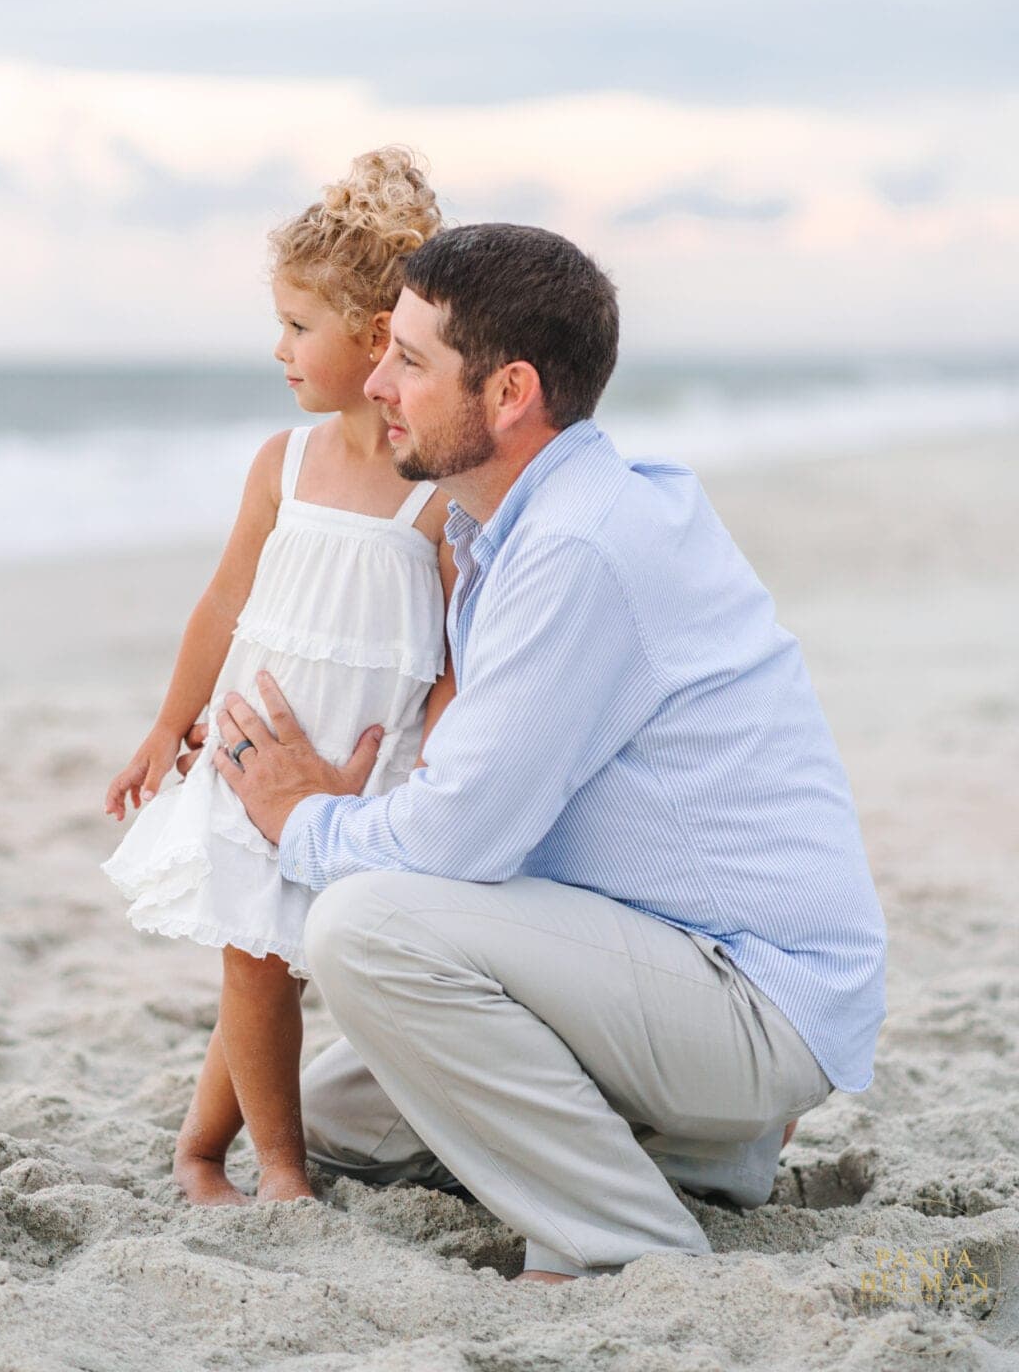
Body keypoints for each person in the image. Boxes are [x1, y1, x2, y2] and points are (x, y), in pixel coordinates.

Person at [205, 222, 888, 1282]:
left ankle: (624, 1242)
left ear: (510, 392)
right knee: (335, 1116)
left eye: (412, 360)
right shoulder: (517, 523)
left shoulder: (574, 546)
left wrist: (300, 817)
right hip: (662, 959)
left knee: (366, 931)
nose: (377, 379)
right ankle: (708, 1148)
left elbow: (459, 838)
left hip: (752, 998)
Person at [101, 147, 458, 1206]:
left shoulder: (432, 490)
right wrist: (170, 725)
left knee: (278, 962)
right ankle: (278, 1175)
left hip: (364, 770)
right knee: (255, 964)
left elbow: (453, 658)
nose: (280, 349)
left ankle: (201, 1151)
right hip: (258, 748)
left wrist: (432, 762)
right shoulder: (282, 465)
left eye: (300, 328)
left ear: (376, 336)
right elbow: (221, 604)